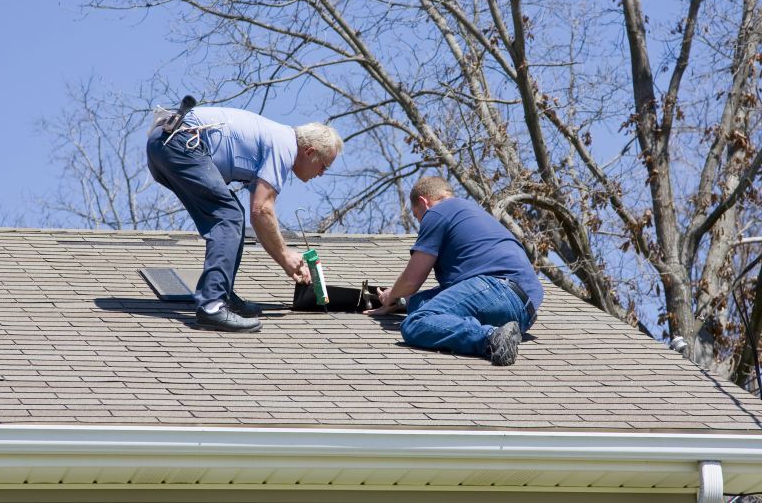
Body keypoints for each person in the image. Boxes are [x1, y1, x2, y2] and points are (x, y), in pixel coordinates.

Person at [147, 104, 343, 332]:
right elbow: (262, 210)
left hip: (164, 143)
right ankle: (212, 306)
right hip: (181, 142)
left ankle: (223, 295)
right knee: (228, 216)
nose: (321, 174)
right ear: (309, 152)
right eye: (324, 166)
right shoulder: (285, 146)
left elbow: (257, 216)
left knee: (232, 215)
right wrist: (285, 256)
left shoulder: (274, 139)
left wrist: (285, 259)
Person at [365, 176, 542, 365]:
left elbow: (412, 280)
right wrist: (402, 301)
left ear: (424, 202)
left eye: (418, 217)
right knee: (417, 303)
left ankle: (491, 338)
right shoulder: (471, 212)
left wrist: (391, 295)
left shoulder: (438, 212)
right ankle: (501, 333)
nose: (421, 224)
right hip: (524, 312)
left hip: (496, 288)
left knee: (415, 323)